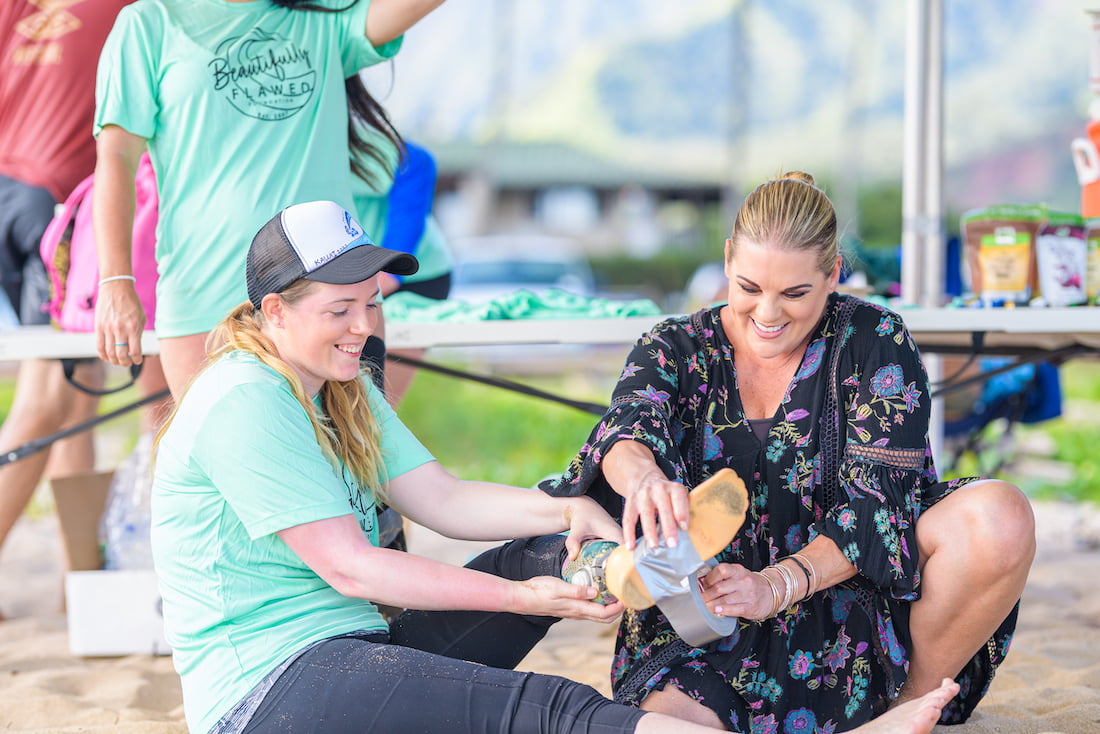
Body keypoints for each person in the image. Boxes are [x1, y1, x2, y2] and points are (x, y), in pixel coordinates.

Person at [150, 199, 961, 734]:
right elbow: (356, 569)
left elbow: (442, 498)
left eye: (373, 301)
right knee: (550, 710)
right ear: (274, 312)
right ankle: (649, 579)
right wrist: (517, 598)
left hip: (356, 642)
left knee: (553, 548)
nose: (364, 324)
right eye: (340, 309)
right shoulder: (243, 399)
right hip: (272, 690)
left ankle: (631, 568)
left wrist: (565, 516)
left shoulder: (337, 386)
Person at [541, 172, 1035, 731]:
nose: (768, 314)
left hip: (855, 618)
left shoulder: (875, 341)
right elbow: (627, 429)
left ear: (832, 275)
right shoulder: (674, 346)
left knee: (1000, 517)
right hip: (705, 621)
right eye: (749, 287)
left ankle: (899, 713)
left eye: (795, 294)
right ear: (728, 259)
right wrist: (644, 479)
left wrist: (775, 585)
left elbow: (877, 511)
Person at [92, 0, 446, 399]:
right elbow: (115, 159)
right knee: (220, 458)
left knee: (350, 460)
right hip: (204, 295)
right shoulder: (149, 21)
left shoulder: (324, 17)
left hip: (333, 300)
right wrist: (116, 281)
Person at [0, 0, 169, 599]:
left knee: (72, 396)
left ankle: (82, 580)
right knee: (46, 398)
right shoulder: (133, 8)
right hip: (57, 201)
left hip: (12, 188)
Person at [354, 138, 453, 404]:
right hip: (351, 279)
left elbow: (414, 163)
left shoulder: (400, 155)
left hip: (413, 276)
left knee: (377, 406)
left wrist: (387, 276)